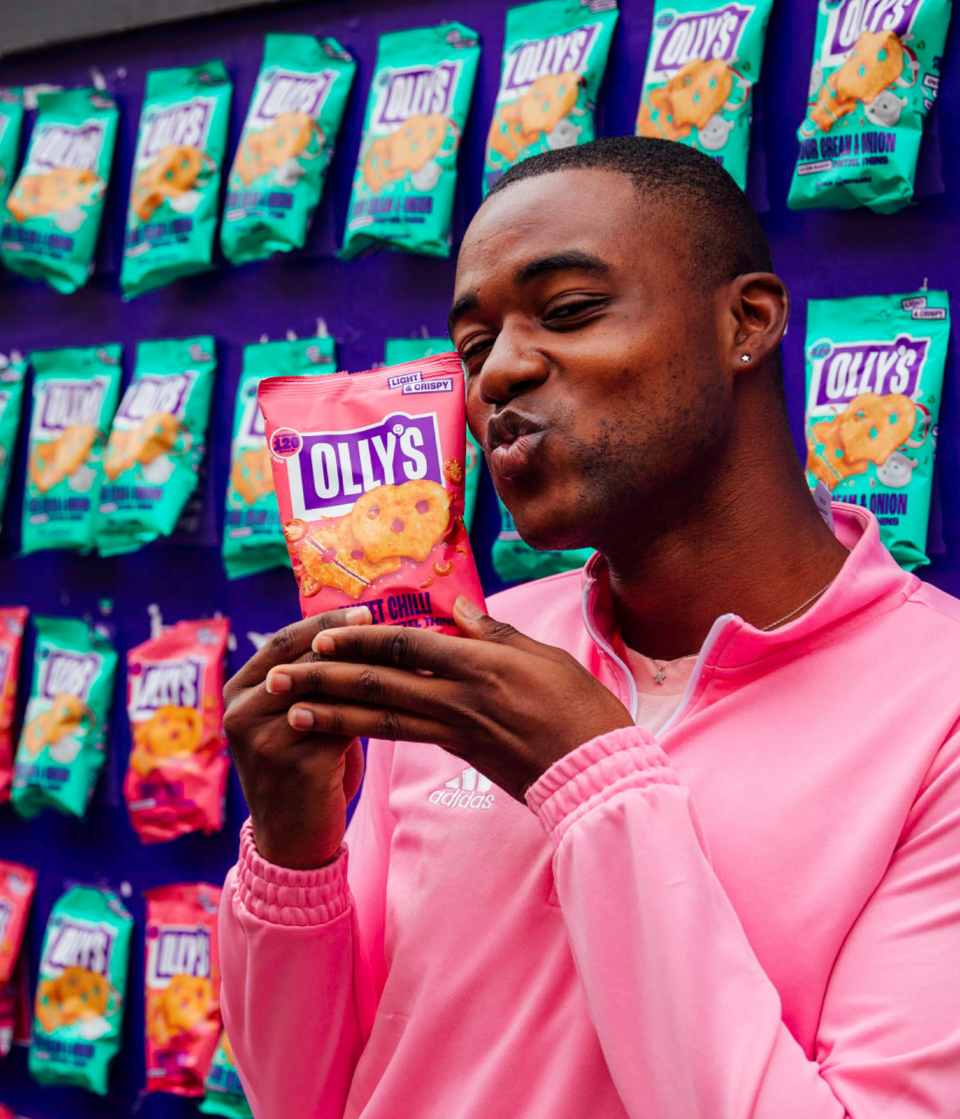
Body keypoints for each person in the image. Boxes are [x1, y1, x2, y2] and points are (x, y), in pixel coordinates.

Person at [218, 137, 960, 1118]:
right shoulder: (462, 657)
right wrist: (293, 850)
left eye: (566, 312)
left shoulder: (937, 704)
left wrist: (594, 782)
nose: (499, 377)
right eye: (475, 349)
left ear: (747, 321)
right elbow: (302, 1098)